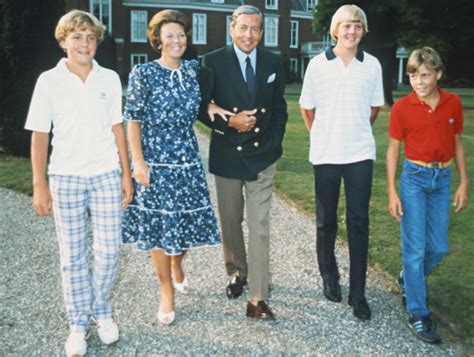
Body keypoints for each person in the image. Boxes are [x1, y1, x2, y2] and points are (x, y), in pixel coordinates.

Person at [24, 10, 133, 356]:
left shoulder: (110, 79)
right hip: (65, 177)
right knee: (72, 256)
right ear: (63, 41)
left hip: (105, 174)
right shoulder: (48, 81)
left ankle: (100, 310)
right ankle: (77, 324)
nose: (84, 44)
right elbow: (40, 135)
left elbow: (119, 129)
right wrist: (39, 183)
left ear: (97, 42)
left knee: (110, 251)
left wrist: (126, 175)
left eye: (90, 37)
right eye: (77, 37)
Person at [121, 9, 220, 325]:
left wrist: (210, 104)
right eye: (170, 35)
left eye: (181, 34)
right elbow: (133, 119)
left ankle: (178, 263)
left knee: (188, 227)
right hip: (155, 161)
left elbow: (205, 96)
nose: (177, 40)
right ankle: (166, 291)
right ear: (158, 41)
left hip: (188, 161)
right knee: (161, 231)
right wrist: (138, 162)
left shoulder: (193, 70)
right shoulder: (143, 73)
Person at [199, 4, 288, 320]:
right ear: (231, 29)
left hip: (262, 156)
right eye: (243, 28)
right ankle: (237, 271)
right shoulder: (210, 62)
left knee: (259, 225)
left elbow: (279, 108)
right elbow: (201, 107)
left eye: (255, 29)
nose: (249, 35)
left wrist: (274, 144)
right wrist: (229, 123)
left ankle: (258, 297)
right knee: (231, 220)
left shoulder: (274, 61)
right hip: (227, 154)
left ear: (261, 32)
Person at [299, 4, 384, 321]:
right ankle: (329, 276)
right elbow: (307, 109)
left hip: (360, 153)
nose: (352, 31)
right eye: (346, 26)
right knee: (326, 221)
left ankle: (358, 292)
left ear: (363, 31)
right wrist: (323, 135)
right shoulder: (318, 65)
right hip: (326, 154)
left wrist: (354, 132)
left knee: (359, 222)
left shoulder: (372, 65)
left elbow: (374, 109)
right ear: (336, 30)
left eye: (357, 26)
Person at [386, 47, 468, 344]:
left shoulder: (453, 104)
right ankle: (418, 313)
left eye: (424, 75)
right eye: (412, 75)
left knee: (439, 247)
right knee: (416, 248)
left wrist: (463, 183)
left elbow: (457, 143)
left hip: (442, 179)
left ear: (438, 74)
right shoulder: (402, 108)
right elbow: (394, 149)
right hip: (414, 180)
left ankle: (409, 277)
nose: (418, 82)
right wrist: (393, 190)